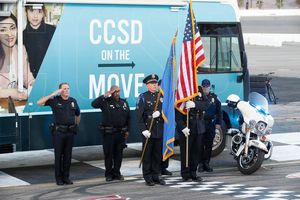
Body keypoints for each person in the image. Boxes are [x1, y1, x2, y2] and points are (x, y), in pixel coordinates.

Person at [37, 82, 80, 185]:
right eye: (64, 89)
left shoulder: (73, 101)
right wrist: (53, 94)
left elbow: (78, 114)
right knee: (58, 156)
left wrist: (76, 125)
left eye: (68, 88)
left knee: (68, 157)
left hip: (70, 132)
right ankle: (59, 179)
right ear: (60, 90)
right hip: (59, 133)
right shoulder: (55, 100)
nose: (66, 90)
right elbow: (39, 102)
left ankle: (66, 177)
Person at [91, 85, 130, 182]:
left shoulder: (124, 103)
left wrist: (127, 130)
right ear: (111, 92)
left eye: (118, 91)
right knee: (108, 154)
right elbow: (94, 104)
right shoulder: (105, 102)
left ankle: (117, 173)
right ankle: (108, 174)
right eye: (115, 91)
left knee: (118, 155)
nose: (117, 93)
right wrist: (105, 94)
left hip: (120, 133)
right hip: (109, 134)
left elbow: (128, 118)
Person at [136, 74, 166, 186]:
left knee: (157, 155)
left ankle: (156, 175)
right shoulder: (143, 97)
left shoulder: (161, 96)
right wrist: (143, 130)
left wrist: (161, 113)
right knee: (147, 155)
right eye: (152, 83)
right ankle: (148, 176)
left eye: (155, 83)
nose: (154, 85)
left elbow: (167, 112)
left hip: (159, 130)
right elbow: (139, 116)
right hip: (148, 130)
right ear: (147, 85)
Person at [175, 86, 209, 182]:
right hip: (187, 126)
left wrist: (195, 104)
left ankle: (193, 172)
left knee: (196, 151)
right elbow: (177, 111)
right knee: (186, 151)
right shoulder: (182, 90)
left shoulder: (199, 89)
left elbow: (207, 104)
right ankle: (185, 173)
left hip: (199, 126)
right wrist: (182, 127)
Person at [0, 14, 34, 101]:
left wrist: (33, 86)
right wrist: (10, 93)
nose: (10, 34)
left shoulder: (20, 49)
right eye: (3, 30)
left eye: (12, 28)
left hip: (14, 105)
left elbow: (28, 77)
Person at [23, 5, 56, 78]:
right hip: (29, 81)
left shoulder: (53, 31)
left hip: (51, 76)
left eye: (39, 11)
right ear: (26, 12)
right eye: (31, 11)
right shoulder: (21, 36)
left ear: (44, 13)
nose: (35, 16)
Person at [198, 79, 222, 172]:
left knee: (208, 144)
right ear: (202, 87)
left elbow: (219, 111)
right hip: (200, 123)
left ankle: (206, 163)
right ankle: (200, 164)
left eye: (207, 86)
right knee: (200, 144)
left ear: (209, 87)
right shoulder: (198, 97)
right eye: (204, 86)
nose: (205, 88)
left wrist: (218, 123)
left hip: (210, 124)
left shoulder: (214, 98)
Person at [157, 79, 172, 176]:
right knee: (158, 149)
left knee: (166, 145)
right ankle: (157, 168)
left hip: (167, 126)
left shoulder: (168, 97)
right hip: (158, 126)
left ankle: (164, 167)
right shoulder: (156, 96)